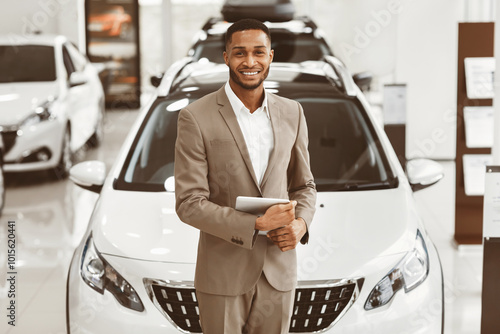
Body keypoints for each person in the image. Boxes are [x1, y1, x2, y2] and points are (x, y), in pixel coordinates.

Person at [174, 18, 316, 334]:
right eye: (240, 53)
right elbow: (189, 203)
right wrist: (255, 224)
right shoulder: (195, 117)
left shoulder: (293, 112)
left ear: (271, 56)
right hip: (223, 274)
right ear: (226, 57)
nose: (249, 62)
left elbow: (303, 185)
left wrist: (301, 224)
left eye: (258, 52)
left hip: (278, 272)